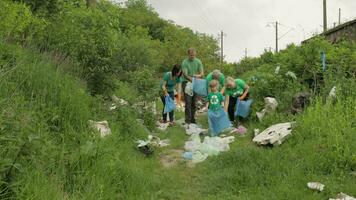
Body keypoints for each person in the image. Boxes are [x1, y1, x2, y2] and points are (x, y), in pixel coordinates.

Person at [181, 48, 204, 124]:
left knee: (194, 102)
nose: (192, 56)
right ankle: (187, 120)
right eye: (191, 55)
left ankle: (193, 119)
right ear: (188, 54)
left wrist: (196, 76)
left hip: (195, 82)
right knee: (188, 102)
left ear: (195, 54)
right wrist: (192, 78)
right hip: (186, 82)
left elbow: (202, 74)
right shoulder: (185, 62)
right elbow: (185, 74)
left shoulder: (198, 61)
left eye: (193, 55)